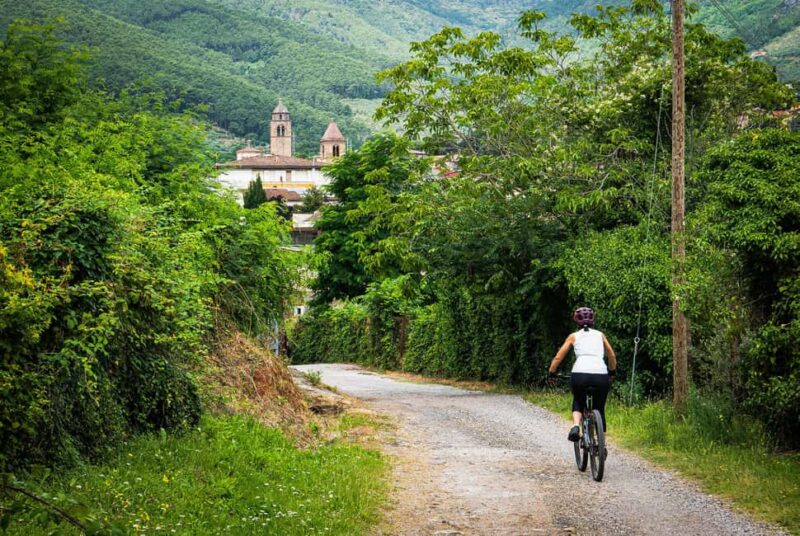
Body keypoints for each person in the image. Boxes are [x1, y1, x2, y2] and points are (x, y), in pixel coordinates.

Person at [548, 307, 617, 442]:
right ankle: (601, 443)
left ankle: (575, 426)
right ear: (593, 320)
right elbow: (611, 355)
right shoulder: (600, 335)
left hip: (580, 374)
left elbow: (558, 357)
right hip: (601, 375)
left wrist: (552, 372)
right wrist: (612, 371)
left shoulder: (574, 336)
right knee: (599, 406)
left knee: (578, 399)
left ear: (576, 320)